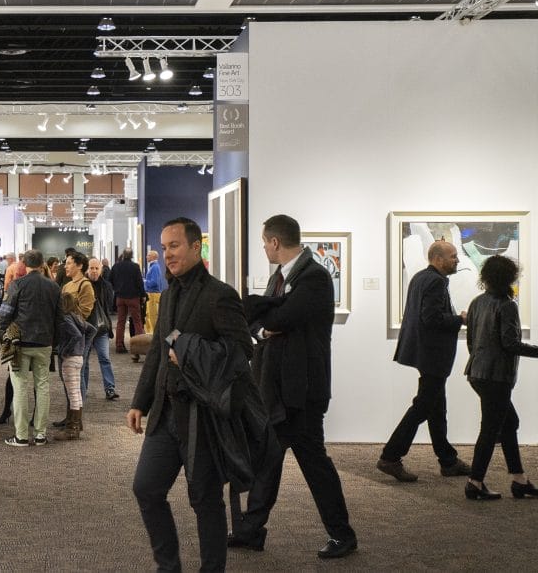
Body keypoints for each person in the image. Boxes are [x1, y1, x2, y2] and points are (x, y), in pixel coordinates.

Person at [128, 217, 255, 572]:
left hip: (203, 417)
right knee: (147, 489)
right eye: (165, 247)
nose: (168, 254)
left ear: (196, 247)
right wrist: (140, 402)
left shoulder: (220, 295)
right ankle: (168, 567)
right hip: (166, 414)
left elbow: (242, 350)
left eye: (175, 246)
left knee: (205, 500)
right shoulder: (168, 295)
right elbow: (157, 350)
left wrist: (190, 349)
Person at [230, 214, 357, 559]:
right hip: (278, 390)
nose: (264, 248)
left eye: (264, 243)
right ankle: (252, 529)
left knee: (314, 464)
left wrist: (268, 316)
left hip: (301, 392)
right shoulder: (282, 277)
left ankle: (342, 534)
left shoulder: (313, 277)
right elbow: (261, 320)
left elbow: (276, 318)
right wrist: (267, 319)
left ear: (274, 242)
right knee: (268, 461)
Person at [378, 240, 471, 482]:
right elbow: (431, 318)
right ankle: (390, 456)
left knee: (436, 407)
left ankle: (448, 460)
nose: (457, 260)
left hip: (425, 352)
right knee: (423, 406)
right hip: (433, 354)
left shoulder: (421, 277)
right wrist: (460, 319)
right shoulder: (436, 281)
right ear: (438, 259)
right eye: (452, 256)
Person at [463, 255, 538, 500]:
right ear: (510, 277)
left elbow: (471, 341)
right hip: (496, 376)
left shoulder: (477, 302)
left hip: (476, 372)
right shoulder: (507, 305)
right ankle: (475, 483)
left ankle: (519, 479)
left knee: (509, 423)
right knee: (490, 429)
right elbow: (510, 343)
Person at [0, 249, 62, 447]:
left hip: (20, 343)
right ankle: (41, 435)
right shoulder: (53, 287)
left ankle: (22, 435)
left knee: (20, 388)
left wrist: (2, 335)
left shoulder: (17, 284)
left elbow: (6, 313)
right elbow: (59, 319)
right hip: (44, 343)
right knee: (43, 387)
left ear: (24, 264)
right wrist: (54, 343)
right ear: (42, 263)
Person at [54, 292, 96, 441]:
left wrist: (65, 350)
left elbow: (76, 335)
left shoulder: (66, 319)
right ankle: (77, 424)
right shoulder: (78, 317)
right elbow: (92, 330)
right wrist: (83, 350)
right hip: (78, 358)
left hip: (70, 359)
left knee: (72, 394)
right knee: (76, 392)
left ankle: (72, 428)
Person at [85, 258, 119, 401]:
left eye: (96, 268)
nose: (93, 271)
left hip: (101, 329)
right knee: (84, 360)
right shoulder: (82, 284)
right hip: (85, 329)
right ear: (87, 269)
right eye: (91, 268)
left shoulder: (106, 286)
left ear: (101, 270)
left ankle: (110, 388)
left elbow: (109, 306)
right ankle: (82, 389)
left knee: (105, 358)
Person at [110, 248, 146, 352]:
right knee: (137, 321)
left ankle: (119, 345)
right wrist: (143, 295)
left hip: (120, 297)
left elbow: (110, 279)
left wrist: (116, 289)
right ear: (132, 255)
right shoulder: (135, 267)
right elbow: (140, 282)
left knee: (121, 322)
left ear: (123, 255)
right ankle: (141, 346)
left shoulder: (116, 266)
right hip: (133, 298)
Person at [144, 250, 165, 334]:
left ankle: (153, 334)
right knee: (149, 315)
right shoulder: (153, 267)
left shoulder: (155, 267)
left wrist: (144, 282)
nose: (146, 257)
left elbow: (154, 282)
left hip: (153, 294)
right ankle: (151, 333)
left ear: (154, 257)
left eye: (148, 255)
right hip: (152, 294)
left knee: (153, 316)